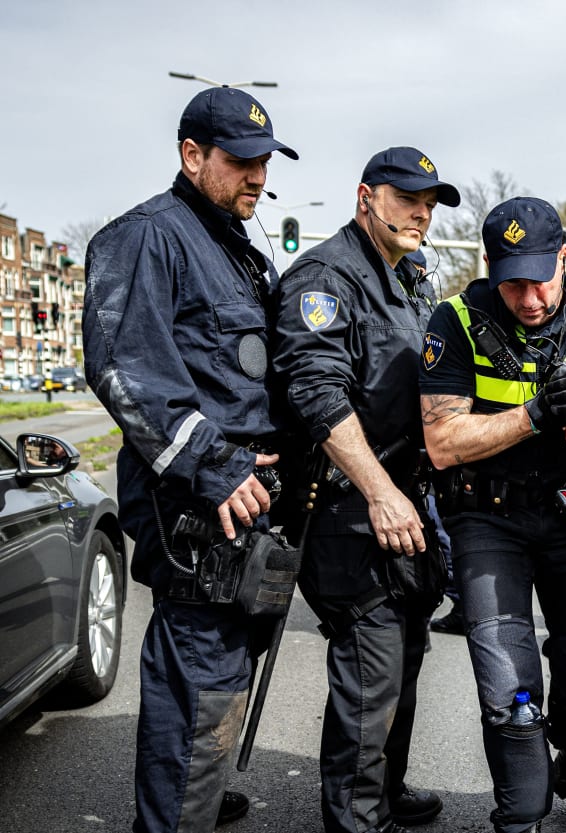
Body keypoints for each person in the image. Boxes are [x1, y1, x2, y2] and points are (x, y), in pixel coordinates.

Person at [82, 86, 296, 832]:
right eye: (241, 161)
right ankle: (177, 814)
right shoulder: (147, 237)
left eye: (265, 162)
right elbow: (124, 368)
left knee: (226, 672)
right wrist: (216, 466)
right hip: (197, 507)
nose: (258, 177)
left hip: (247, 504)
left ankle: (191, 801)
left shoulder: (234, 249)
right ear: (192, 155)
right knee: (200, 682)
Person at [419, 196, 566, 833]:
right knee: (509, 687)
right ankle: (521, 812)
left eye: (542, 279)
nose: (531, 298)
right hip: (489, 521)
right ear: (490, 267)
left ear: (565, 256)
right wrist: (539, 412)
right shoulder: (455, 321)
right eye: (513, 283)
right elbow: (443, 442)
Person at [271, 147, 459, 833]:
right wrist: (380, 492)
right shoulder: (326, 277)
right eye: (407, 199)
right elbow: (316, 393)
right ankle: (356, 818)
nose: (421, 214)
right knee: (370, 667)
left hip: (406, 502)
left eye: (429, 204)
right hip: (349, 508)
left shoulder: (409, 279)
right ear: (365, 197)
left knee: (405, 656)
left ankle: (386, 788)